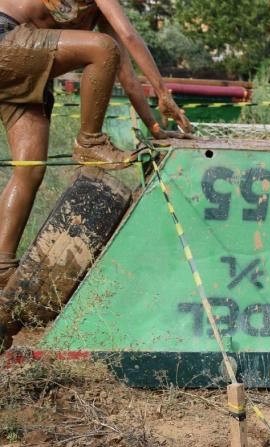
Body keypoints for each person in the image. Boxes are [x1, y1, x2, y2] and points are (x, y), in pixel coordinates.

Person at [0, 0, 192, 289]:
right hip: (6, 39)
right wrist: (163, 92)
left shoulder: (100, 14)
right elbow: (126, 36)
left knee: (30, 169)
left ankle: (2, 265)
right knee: (101, 47)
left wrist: (155, 127)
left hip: (25, 63)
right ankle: (90, 142)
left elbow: (124, 73)